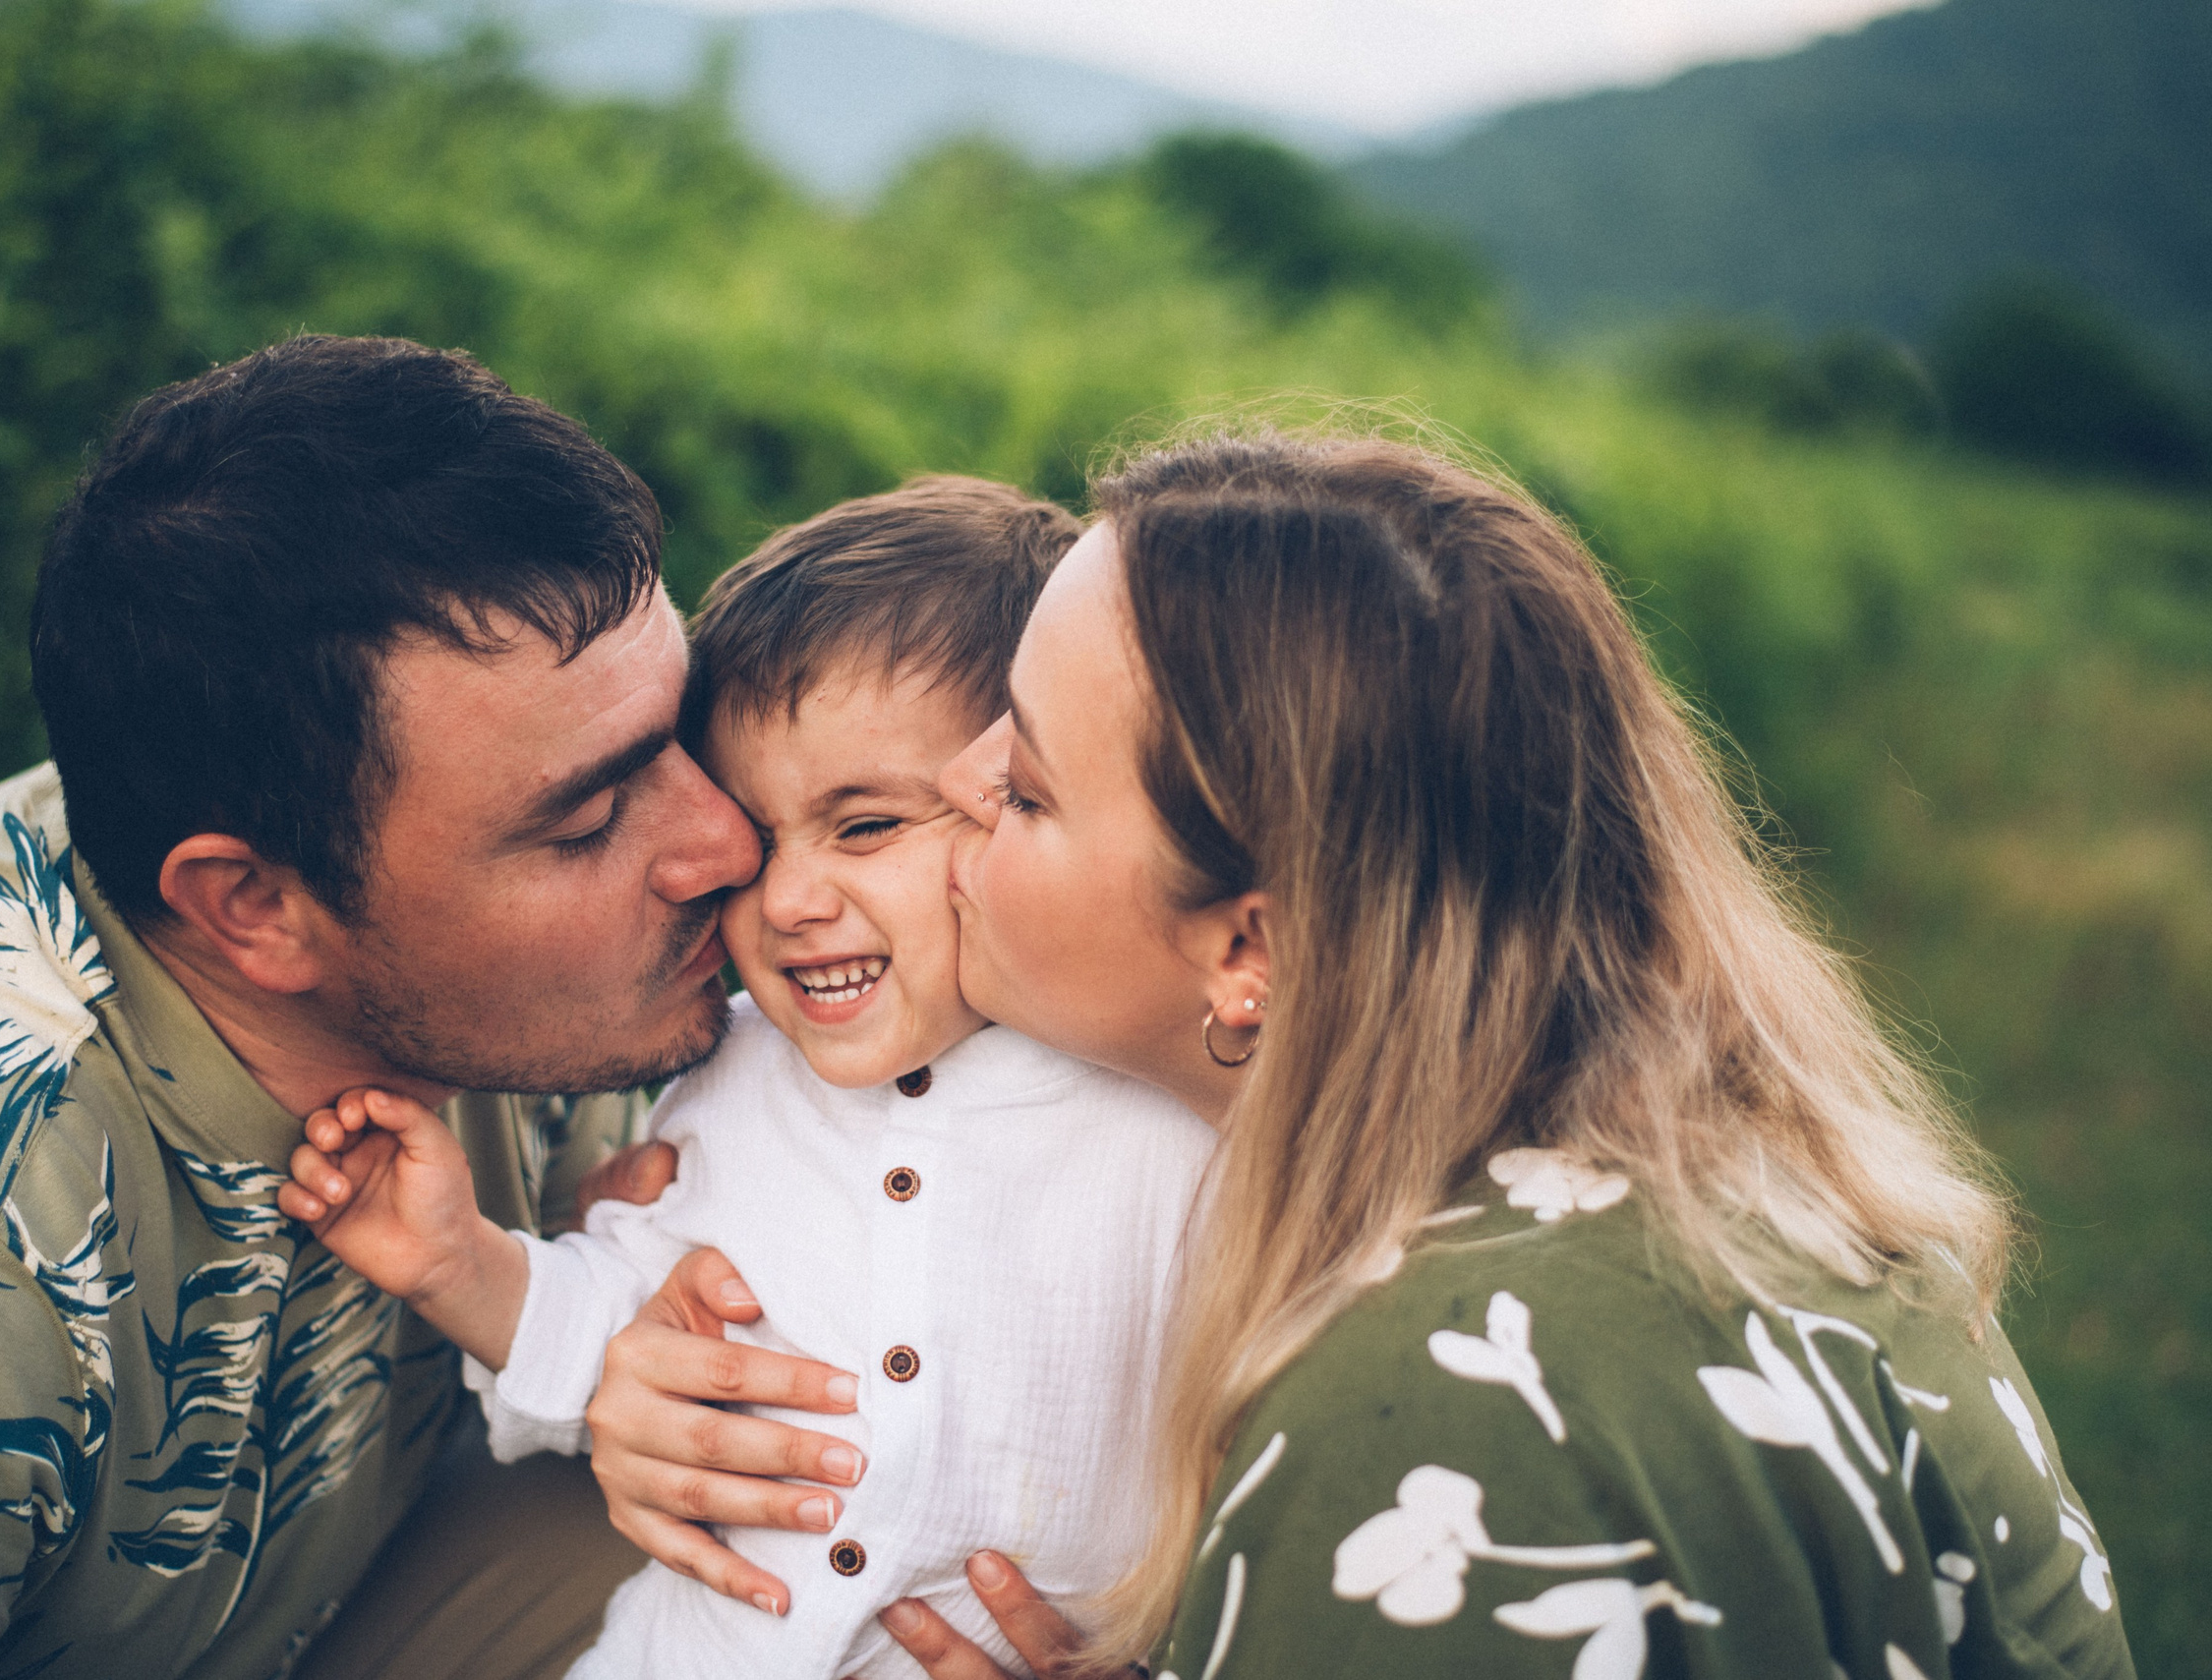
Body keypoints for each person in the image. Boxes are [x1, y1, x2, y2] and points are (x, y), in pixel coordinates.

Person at [592, 428, 2136, 1680]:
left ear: (1248, 952)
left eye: (1034, 786)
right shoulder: (1672, 1182)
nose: (966, 786)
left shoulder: (1455, 1404)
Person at [0, 334, 861, 1680]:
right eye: (592, 818)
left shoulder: (471, 905)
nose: (728, 842)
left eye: (682, 730)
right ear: (253, 906)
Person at [276, 478, 1219, 1679]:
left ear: (1022, 795)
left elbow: (1273, 1461)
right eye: (756, 837)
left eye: (864, 825)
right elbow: (645, 1358)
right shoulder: (734, 1077)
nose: (786, 898)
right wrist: (463, 1265)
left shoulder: (1165, 1106)